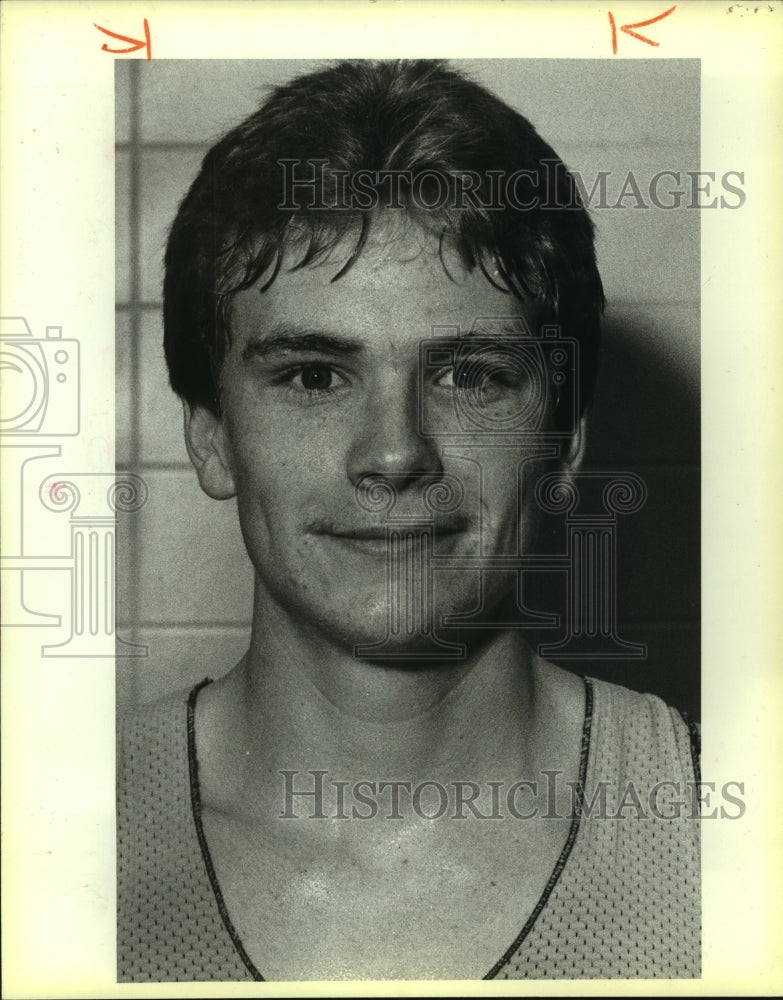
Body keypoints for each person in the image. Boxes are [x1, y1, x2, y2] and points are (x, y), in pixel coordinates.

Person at [117, 59, 700, 982]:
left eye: (469, 375)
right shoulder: (53, 834)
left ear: (562, 439)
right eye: (312, 376)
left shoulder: (718, 832)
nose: (393, 453)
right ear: (211, 437)